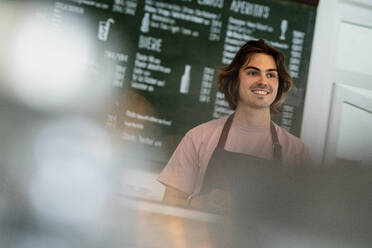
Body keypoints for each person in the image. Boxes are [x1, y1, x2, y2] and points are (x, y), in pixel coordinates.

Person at [157, 39, 310, 214]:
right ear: (235, 80)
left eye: (271, 75)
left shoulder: (298, 153)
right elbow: (169, 206)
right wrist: (197, 204)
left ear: (279, 84)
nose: (263, 81)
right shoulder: (198, 137)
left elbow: (303, 222)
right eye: (253, 73)